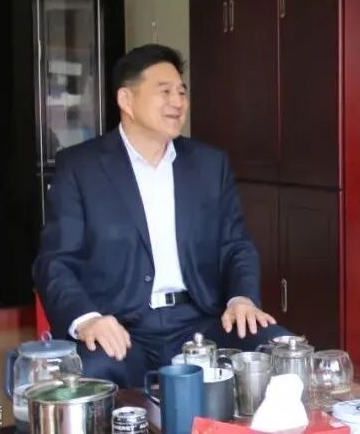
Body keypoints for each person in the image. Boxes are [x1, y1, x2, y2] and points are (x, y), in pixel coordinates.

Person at [33, 44, 289, 388]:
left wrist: (241, 298)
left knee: (280, 352)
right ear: (126, 100)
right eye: (164, 91)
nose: (177, 102)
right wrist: (88, 319)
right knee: (85, 375)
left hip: (201, 322)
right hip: (122, 328)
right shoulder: (81, 167)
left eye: (181, 92)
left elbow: (236, 245)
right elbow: (56, 261)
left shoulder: (209, 165)